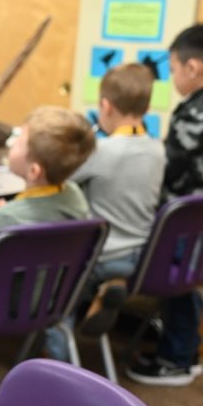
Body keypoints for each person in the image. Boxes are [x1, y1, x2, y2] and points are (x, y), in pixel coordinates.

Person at [0, 107, 95, 317]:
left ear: (34, 170)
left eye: (20, 140)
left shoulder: (6, 218)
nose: (12, 143)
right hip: (53, 301)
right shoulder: (75, 195)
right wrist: (13, 208)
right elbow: (43, 210)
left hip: (7, 310)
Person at [63, 63, 163, 343]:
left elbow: (63, 176)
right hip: (139, 256)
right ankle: (110, 286)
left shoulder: (103, 150)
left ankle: (60, 355)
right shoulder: (158, 150)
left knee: (57, 298)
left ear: (105, 106)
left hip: (98, 256)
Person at [127, 24, 203, 386]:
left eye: (173, 70)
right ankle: (187, 351)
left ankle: (174, 357)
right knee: (190, 278)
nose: (172, 78)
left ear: (193, 68)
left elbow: (174, 166)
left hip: (184, 219)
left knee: (179, 281)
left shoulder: (193, 113)